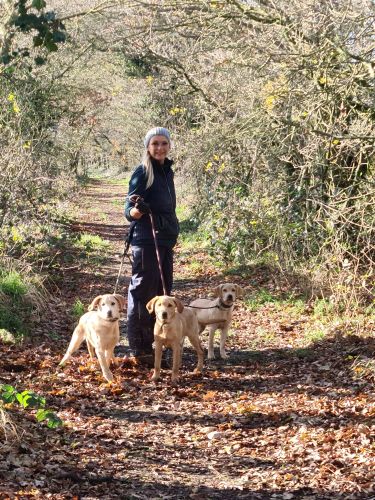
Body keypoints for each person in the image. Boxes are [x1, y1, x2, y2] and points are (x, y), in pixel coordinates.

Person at [124, 127, 179, 365]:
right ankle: (140, 348)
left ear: (169, 146)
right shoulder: (142, 172)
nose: (159, 148)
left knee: (163, 292)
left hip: (165, 238)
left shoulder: (167, 171)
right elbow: (129, 211)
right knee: (143, 294)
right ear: (148, 147)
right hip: (146, 240)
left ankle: (160, 342)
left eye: (163, 143)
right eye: (155, 143)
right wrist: (138, 210)